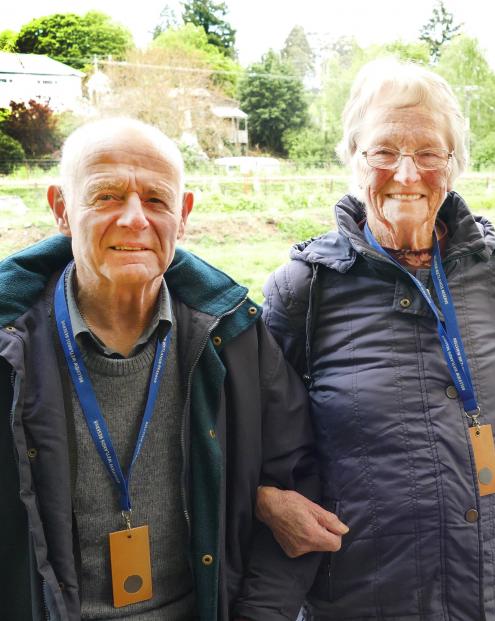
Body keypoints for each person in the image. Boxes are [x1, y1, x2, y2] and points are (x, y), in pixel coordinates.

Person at [252, 57, 495, 620]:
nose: (407, 174)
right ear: (354, 158)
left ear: (454, 162)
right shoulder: (303, 289)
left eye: (429, 153)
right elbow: (254, 436)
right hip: (366, 597)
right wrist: (266, 502)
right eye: (385, 152)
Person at [0, 118, 318, 620]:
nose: (134, 219)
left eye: (155, 200)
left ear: (183, 214)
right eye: (106, 196)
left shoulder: (233, 337)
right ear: (61, 208)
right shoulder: (9, 348)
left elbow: (301, 485)